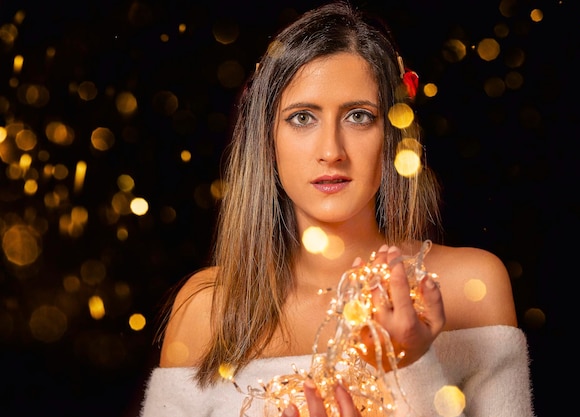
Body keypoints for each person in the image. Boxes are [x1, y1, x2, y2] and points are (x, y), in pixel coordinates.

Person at [140, 1, 535, 416]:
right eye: (302, 118)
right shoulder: (208, 308)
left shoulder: (471, 287)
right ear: (266, 137)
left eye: (359, 116)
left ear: (392, 134)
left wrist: (411, 362)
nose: (331, 151)